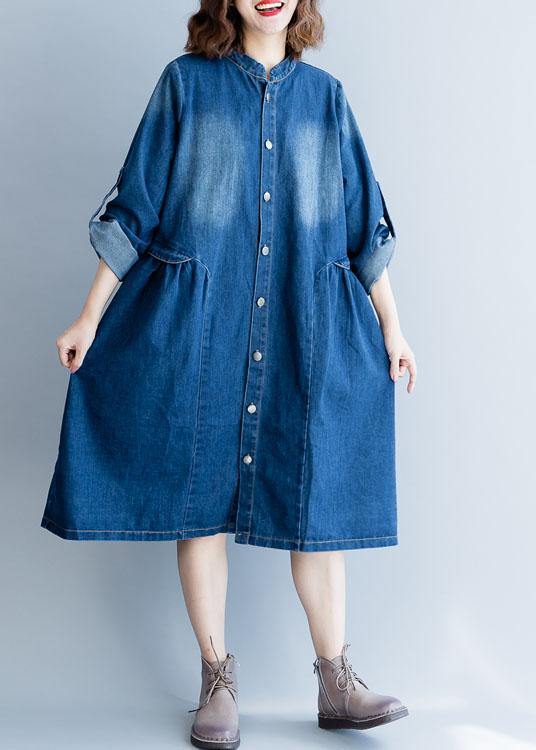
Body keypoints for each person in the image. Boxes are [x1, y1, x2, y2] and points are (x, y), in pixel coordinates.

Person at [41, 0, 417, 747]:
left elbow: (361, 227)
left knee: (314, 504)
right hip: (203, 335)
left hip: (300, 333)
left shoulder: (327, 101)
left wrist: (393, 328)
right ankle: (216, 679)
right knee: (200, 499)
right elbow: (136, 210)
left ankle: (337, 681)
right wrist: (89, 317)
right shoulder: (185, 85)